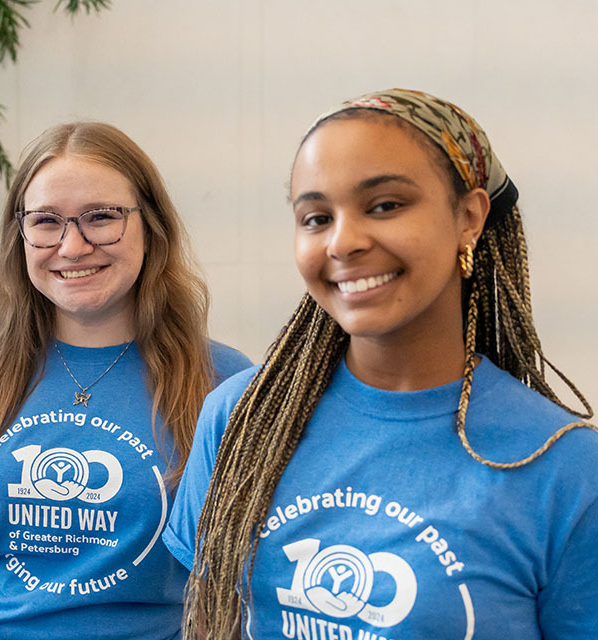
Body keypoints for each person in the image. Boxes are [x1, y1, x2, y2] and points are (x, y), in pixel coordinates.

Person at [164, 89, 598, 639]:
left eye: (386, 205)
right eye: (316, 217)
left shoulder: (567, 468)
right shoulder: (241, 418)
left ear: (469, 217)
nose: (343, 242)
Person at [0, 122, 251, 639]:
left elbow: (235, 595)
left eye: (101, 217)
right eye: (46, 221)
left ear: (152, 226)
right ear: (21, 237)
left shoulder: (226, 388)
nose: (73, 245)